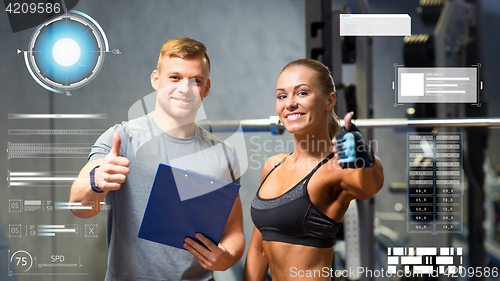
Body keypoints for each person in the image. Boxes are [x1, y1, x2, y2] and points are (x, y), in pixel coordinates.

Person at [70, 37, 245, 281]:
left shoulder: (224, 154)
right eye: (175, 77)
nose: (185, 88)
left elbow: (234, 229)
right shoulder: (122, 138)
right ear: (156, 80)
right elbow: (79, 207)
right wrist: (95, 180)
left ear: (206, 88)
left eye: (196, 80)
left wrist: (228, 255)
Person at [244, 58, 384, 281]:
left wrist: (365, 158)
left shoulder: (336, 168)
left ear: (330, 101)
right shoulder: (273, 165)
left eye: (302, 93)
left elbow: (370, 185)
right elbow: (259, 249)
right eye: (282, 96)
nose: (289, 103)